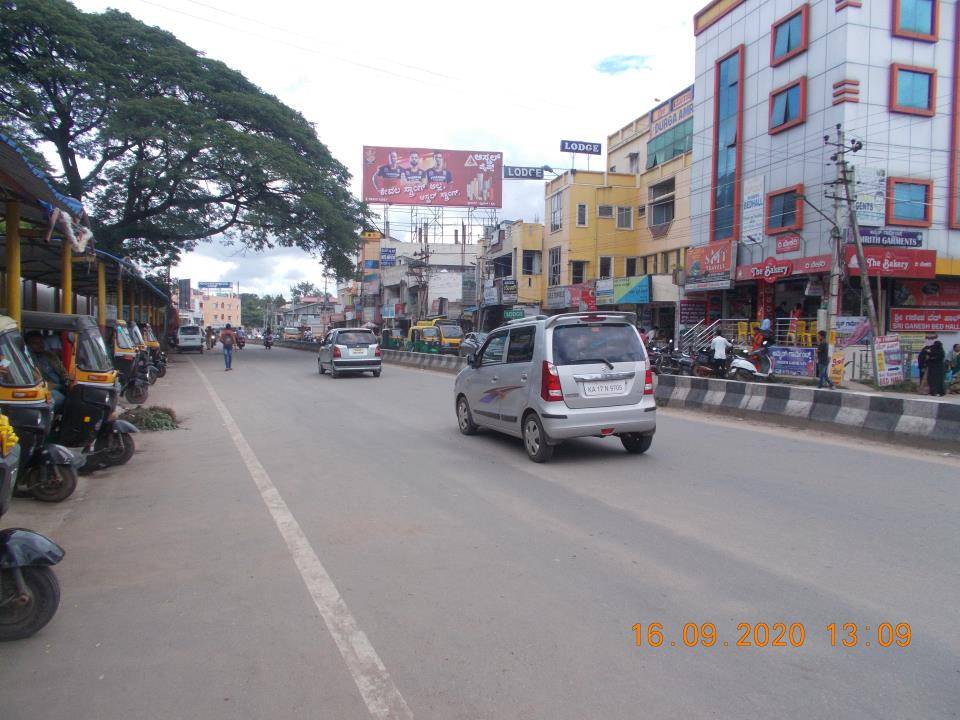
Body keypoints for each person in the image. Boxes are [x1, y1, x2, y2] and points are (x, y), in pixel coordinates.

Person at [25, 331, 68, 411]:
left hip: (62, 386)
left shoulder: (50, 355)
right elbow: (37, 381)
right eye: (35, 343)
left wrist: (67, 380)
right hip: (47, 389)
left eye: (41, 342)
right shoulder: (28, 360)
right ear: (28, 345)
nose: (40, 345)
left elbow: (62, 371)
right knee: (58, 398)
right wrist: (58, 386)